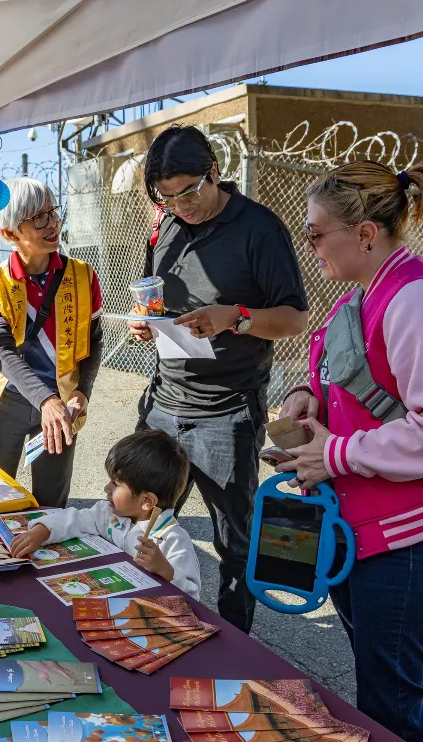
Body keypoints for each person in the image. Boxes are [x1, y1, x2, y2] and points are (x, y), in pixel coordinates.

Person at [280, 160, 423, 742]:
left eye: (317, 233)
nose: (310, 244)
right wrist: (309, 396)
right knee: (387, 690)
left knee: (392, 706)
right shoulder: (373, 292)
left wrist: (338, 453)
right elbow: (355, 375)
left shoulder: (416, 299)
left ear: (366, 234)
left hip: (402, 542)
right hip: (366, 533)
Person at [128, 125, 309, 634]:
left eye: (188, 192)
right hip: (163, 402)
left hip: (227, 411)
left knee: (233, 541)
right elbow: (157, 297)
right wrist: (149, 321)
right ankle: (149, 625)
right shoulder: (164, 225)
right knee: (144, 525)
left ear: (213, 172)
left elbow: (295, 318)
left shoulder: (260, 228)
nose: (179, 206)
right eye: (166, 197)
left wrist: (236, 317)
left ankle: (233, 643)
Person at [0, 177, 103, 508]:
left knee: (51, 505)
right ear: (9, 233)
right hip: (6, 402)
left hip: (62, 403)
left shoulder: (83, 275)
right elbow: (4, 353)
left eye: (53, 211)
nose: (53, 222)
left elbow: (93, 342)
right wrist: (46, 400)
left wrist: (81, 392)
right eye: (39, 218)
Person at [9, 429, 201, 598]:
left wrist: (166, 571)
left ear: (147, 501)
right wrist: (43, 530)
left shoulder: (173, 540)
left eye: (116, 484)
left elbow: (192, 595)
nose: (106, 488)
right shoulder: (108, 512)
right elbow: (76, 519)